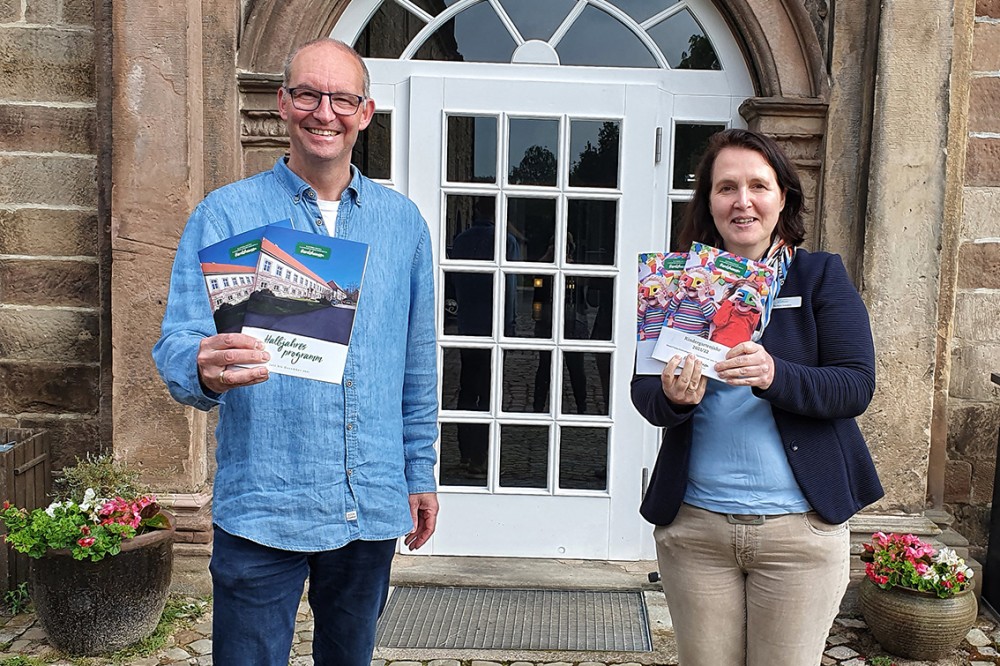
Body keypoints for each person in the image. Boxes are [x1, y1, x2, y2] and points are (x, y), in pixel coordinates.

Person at [152, 39, 438, 666]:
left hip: (368, 502)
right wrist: (200, 364)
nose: (323, 112)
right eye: (308, 94)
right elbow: (175, 341)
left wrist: (420, 474)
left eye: (342, 99)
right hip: (263, 504)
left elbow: (418, 365)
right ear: (282, 103)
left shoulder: (402, 224)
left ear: (365, 113)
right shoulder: (227, 215)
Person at [630, 128, 883, 666]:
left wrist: (775, 374)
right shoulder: (678, 284)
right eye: (726, 188)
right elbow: (645, 393)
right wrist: (674, 399)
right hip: (697, 528)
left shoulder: (818, 277)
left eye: (757, 186)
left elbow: (856, 384)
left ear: (782, 196)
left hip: (799, 532)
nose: (742, 201)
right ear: (709, 203)